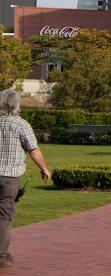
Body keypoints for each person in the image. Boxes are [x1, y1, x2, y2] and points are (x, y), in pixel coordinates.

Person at [0, 89, 52, 268]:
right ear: (17, 105)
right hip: (9, 177)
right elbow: (33, 150)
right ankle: (1, 256)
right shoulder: (21, 125)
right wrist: (44, 168)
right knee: (4, 216)